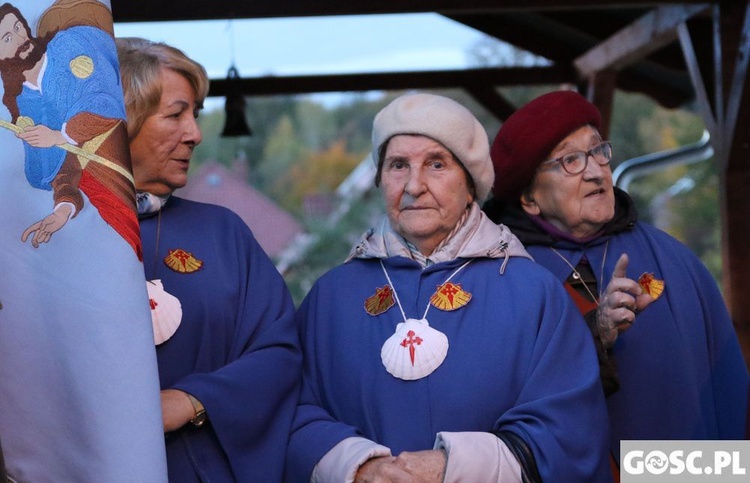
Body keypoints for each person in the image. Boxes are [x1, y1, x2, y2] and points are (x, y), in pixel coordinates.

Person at [286, 92, 612, 482]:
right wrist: (360, 467)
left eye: (436, 164)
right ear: (379, 180)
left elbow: (570, 429)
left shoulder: (534, 292)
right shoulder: (331, 298)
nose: (414, 185)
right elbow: (291, 412)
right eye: (397, 166)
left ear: (471, 183)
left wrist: (451, 467)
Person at [483, 90, 749, 469]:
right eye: (570, 160)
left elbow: (726, 388)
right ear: (529, 198)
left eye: (597, 152)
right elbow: (500, 397)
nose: (595, 171)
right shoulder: (505, 277)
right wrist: (596, 331)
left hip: (676, 473)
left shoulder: (674, 261)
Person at [116, 37, 302, 482]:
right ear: (124, 117)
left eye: (195, 116)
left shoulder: (223, 233)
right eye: (176, 114)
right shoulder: (60, 235)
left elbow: (279, 352)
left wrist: (192, 400)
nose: (195, 133)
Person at [0, 3, 140, 257]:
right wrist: (62, 210)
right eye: (7, 37)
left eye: (18, 27)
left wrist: (59, 135)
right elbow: (61, 168)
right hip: (100, 190)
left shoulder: (70, 45)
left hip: (123, 165)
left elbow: (105, 102)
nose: (22, 38)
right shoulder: (23, 102)